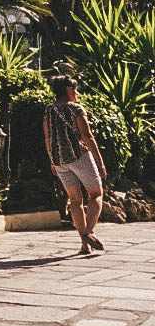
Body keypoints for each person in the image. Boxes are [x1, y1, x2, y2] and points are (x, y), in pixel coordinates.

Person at [43, 74, 107, 256]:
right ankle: (89, 232)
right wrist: (100, 161)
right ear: (68, 90)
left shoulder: (48, 110)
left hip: (59, 161)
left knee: (75, 201)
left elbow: (48, 137)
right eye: (75, 89)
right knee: (96, 193)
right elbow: (87, 136)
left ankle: (84, 245)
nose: (76, 92)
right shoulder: (76, 109)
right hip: (79, 157)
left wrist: (52, 161)